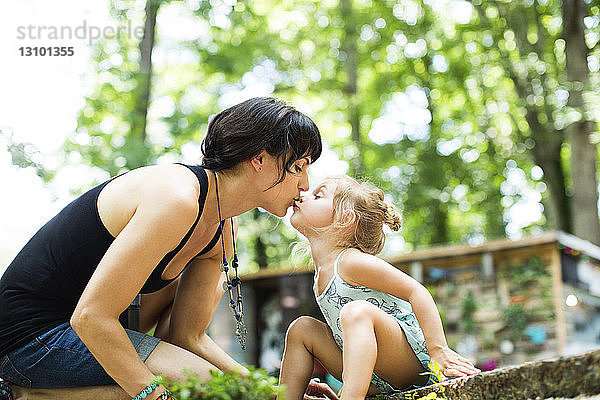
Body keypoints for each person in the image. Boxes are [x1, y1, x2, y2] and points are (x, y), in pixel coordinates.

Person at [0, 97, 322, 400]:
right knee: (196, 388)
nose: (305, 184)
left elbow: (187, 337)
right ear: (260, 159)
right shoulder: (176, 197)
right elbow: (90, 317)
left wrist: (271, 392)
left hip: (86, 333)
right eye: (299, 166)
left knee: (213, 387)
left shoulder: (223, 228)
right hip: (27, 339)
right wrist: (152, 394)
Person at [279, 176, 480, 400]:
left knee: (356, 312)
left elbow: (416, 291)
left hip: (410, 364)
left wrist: (438, 350)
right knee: (301, 328)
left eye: (318, 195)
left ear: (345, 218)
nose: (304, 195)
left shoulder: (350, 261)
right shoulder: (320, 274)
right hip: (375, 375)